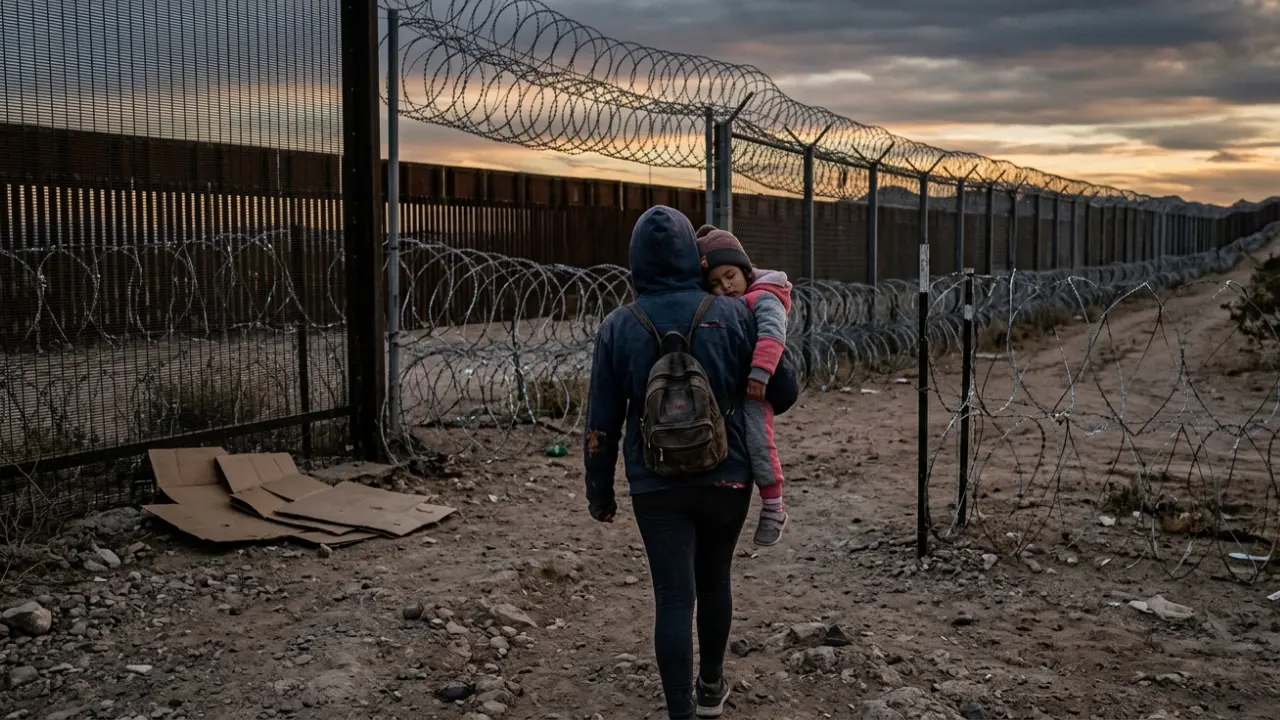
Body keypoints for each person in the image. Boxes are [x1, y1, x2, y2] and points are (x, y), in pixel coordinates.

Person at [583, 205, 799, 720]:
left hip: (655, 484)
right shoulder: (735, 312)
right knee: (715, 580)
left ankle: (680, 709)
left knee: (673, 598)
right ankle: (710, 688)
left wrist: (600, 494)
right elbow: (786, 391)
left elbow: (600, 424)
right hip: (728, 476)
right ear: (693, 258)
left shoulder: (619, 325)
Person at [694, 224, 792, 546]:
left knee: (758, 441)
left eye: (730, 276)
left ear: (745, 270)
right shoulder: (739, 300)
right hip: (741, 385)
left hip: (755, 388)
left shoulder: (764, 297)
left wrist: (760, 375)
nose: (725, 287)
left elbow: (772, 336)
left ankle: (773, 505)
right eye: (715, 284)